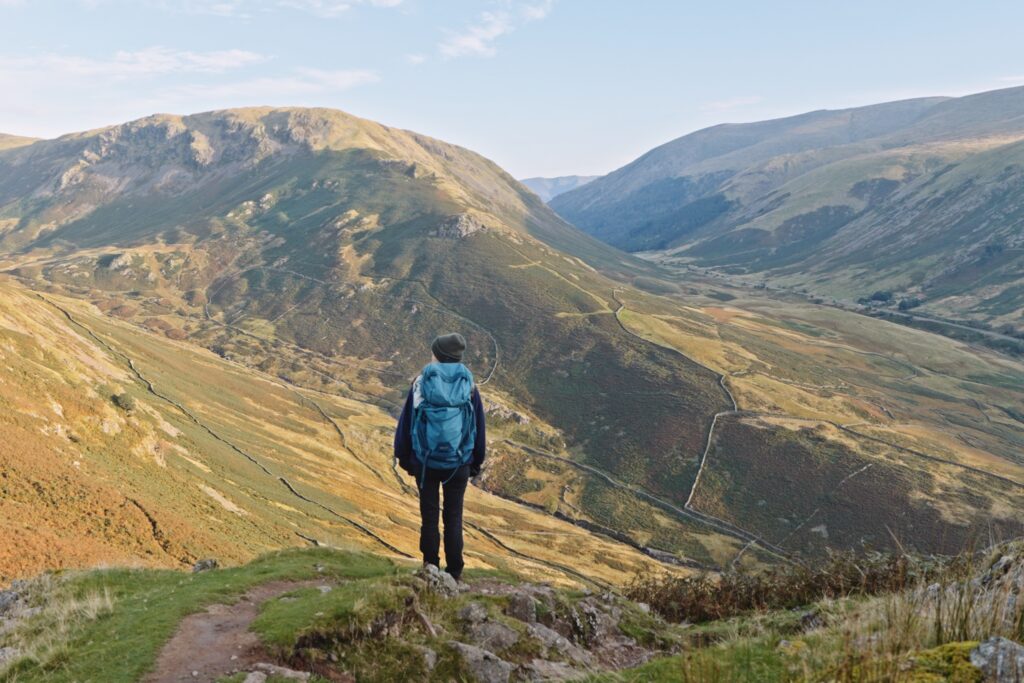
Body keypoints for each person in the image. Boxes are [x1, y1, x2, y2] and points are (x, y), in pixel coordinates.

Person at [395, 332, 486, 582]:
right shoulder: (469, 385)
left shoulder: (421, 382)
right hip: (459, 462)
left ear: (437, 354)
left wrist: (405, 458)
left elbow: (407, 422)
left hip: (425, 462)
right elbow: (478, 426)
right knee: (454, 517)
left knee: (429, 517)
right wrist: (475, 461)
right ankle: (455, 571)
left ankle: (431, 568)